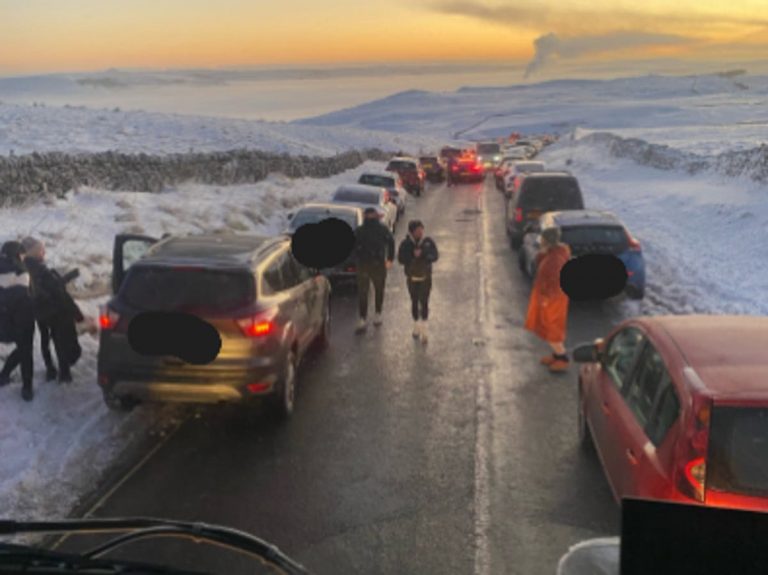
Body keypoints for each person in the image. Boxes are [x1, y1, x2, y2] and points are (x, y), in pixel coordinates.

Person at [21, 237, 83, 384]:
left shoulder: (25, 267)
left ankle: (50, 369)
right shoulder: (40, 269)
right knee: (61, 341)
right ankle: (64, 372)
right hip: (54, 311)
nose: (44, 252)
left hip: (39, 311)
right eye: (41, 249)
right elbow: (56, 289)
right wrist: (76, 312)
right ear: (34, 252)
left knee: (45, 340)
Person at [524, 226, 572, 372]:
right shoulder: (555, 253)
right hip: (552, 298)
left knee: (552, 329)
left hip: (552, 300)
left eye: (542, 239)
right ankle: (556, 356)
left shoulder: (554, 260)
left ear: (547, 241)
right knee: (548, 328)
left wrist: (544, 300)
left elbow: (553, 282)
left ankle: (562, 358)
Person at [0, 241, 36, 400]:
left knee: (22, 349)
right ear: (16, 254)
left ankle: (4, 375)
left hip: (2, 321)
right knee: (25, 351)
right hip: (21, 320)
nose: (23, 257)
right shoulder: (22, 272)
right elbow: (24, 297)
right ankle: (27, 387)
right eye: (22, 254)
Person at [353, 207, 395, 333]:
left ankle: (375, 314)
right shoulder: (361, 230)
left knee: (377, 290)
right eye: (369, 215)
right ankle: (364, 317)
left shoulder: (380, 229)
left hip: (376, 264)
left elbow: (391, 242)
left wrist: (390, 259)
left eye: (372, 215)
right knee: (364, 292)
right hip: (366, 264)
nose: (370, 217)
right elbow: (354, 246)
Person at [397, 220, 439, 344]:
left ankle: (425, 330)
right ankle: (416, 325)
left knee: (424, 302)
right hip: (412, 278)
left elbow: (435, 255)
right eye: (417, 230)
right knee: (414, 301)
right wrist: (411, 256)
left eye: (421, 230)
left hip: (426, 278)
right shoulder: (405, 244)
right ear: (412, 232)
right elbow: (400, 259)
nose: (420, 232)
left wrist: (425, 255)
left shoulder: (428, 242)